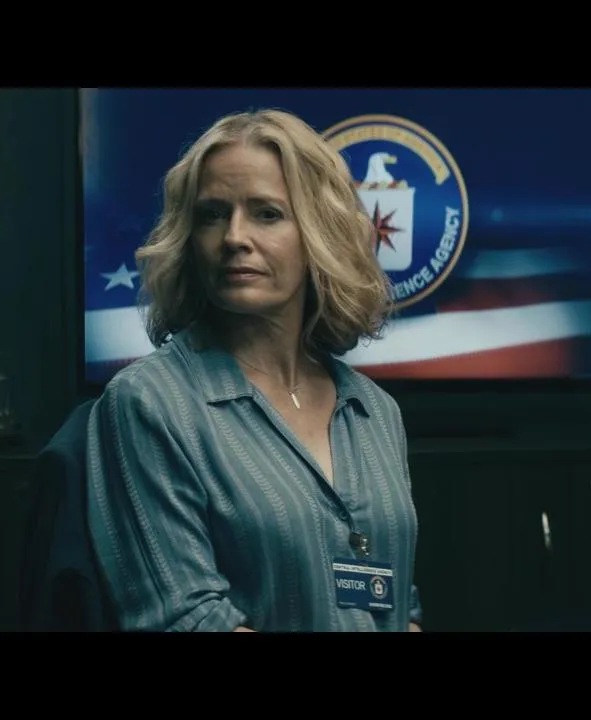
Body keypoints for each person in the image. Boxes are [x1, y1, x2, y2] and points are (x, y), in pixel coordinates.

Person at [85, 108, 422, 632]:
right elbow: (187, 618)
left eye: (267, 213)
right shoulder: (148, 403)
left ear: (318, 233)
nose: (234, 237)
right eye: (212, 214)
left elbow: (398, 604)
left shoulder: (375, 411)